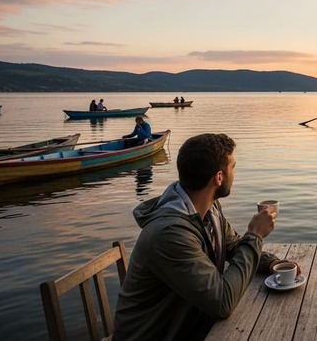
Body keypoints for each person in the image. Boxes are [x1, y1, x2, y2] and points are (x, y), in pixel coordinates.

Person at [113, 134, 296, 340]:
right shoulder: (169, 235)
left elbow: (234, 246)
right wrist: (255, 235)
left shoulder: (208, 208)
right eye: (233, 167)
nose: (234, 174)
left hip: (194, 325)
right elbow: (222, 302)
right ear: (218, 177)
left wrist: (272, 263)